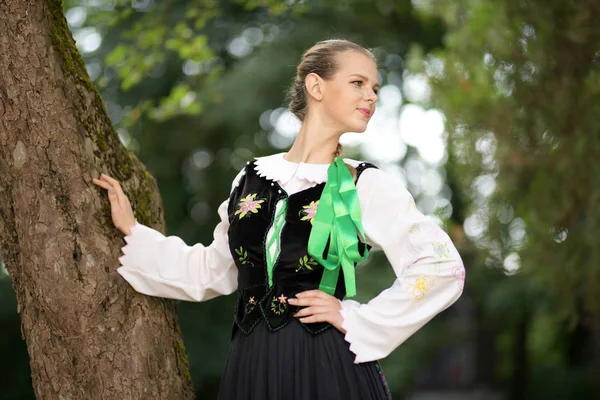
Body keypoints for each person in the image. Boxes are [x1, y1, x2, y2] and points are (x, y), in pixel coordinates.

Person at [93, 39, 465, 400]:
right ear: (316, 86)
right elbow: (214, 270)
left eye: (375, 88)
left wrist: (358, 318)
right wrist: (134, 233)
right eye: (358, 83)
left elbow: (443, 267)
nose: (371, 96)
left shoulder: (363, 184)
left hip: (326, 365)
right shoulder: (251, 177)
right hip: (251, 364)